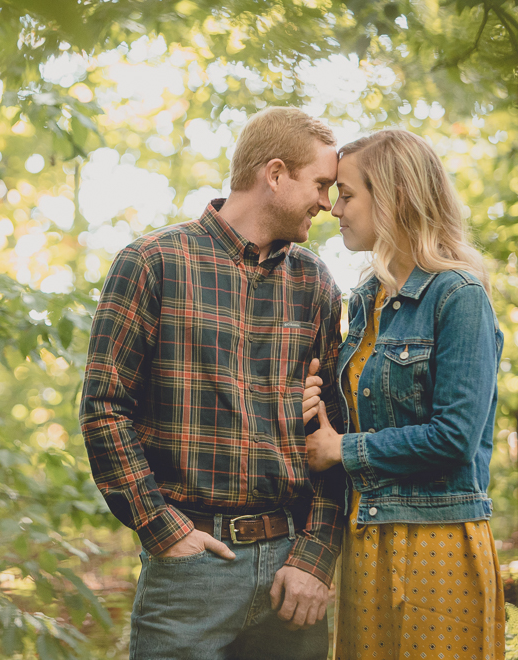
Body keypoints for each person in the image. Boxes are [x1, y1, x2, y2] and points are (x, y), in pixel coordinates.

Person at [80, 106, 347, 660]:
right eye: (321, 185)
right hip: (191, 573)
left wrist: (316, 555)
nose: (327, 203)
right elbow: (104, 408)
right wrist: (163, 531)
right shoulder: (152, 263)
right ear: (274, 174)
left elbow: (333, 431)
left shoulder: (315, 281)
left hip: (290, 577)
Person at [302, 129, 506, 659]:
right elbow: (367, 413)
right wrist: (316, 409)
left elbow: (455, 437)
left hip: (437, 541)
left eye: (346, 194)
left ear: (391, 197)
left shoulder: (459, 296)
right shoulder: (368, 300)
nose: (334, 208)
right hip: (367, 535)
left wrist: (341, 450)